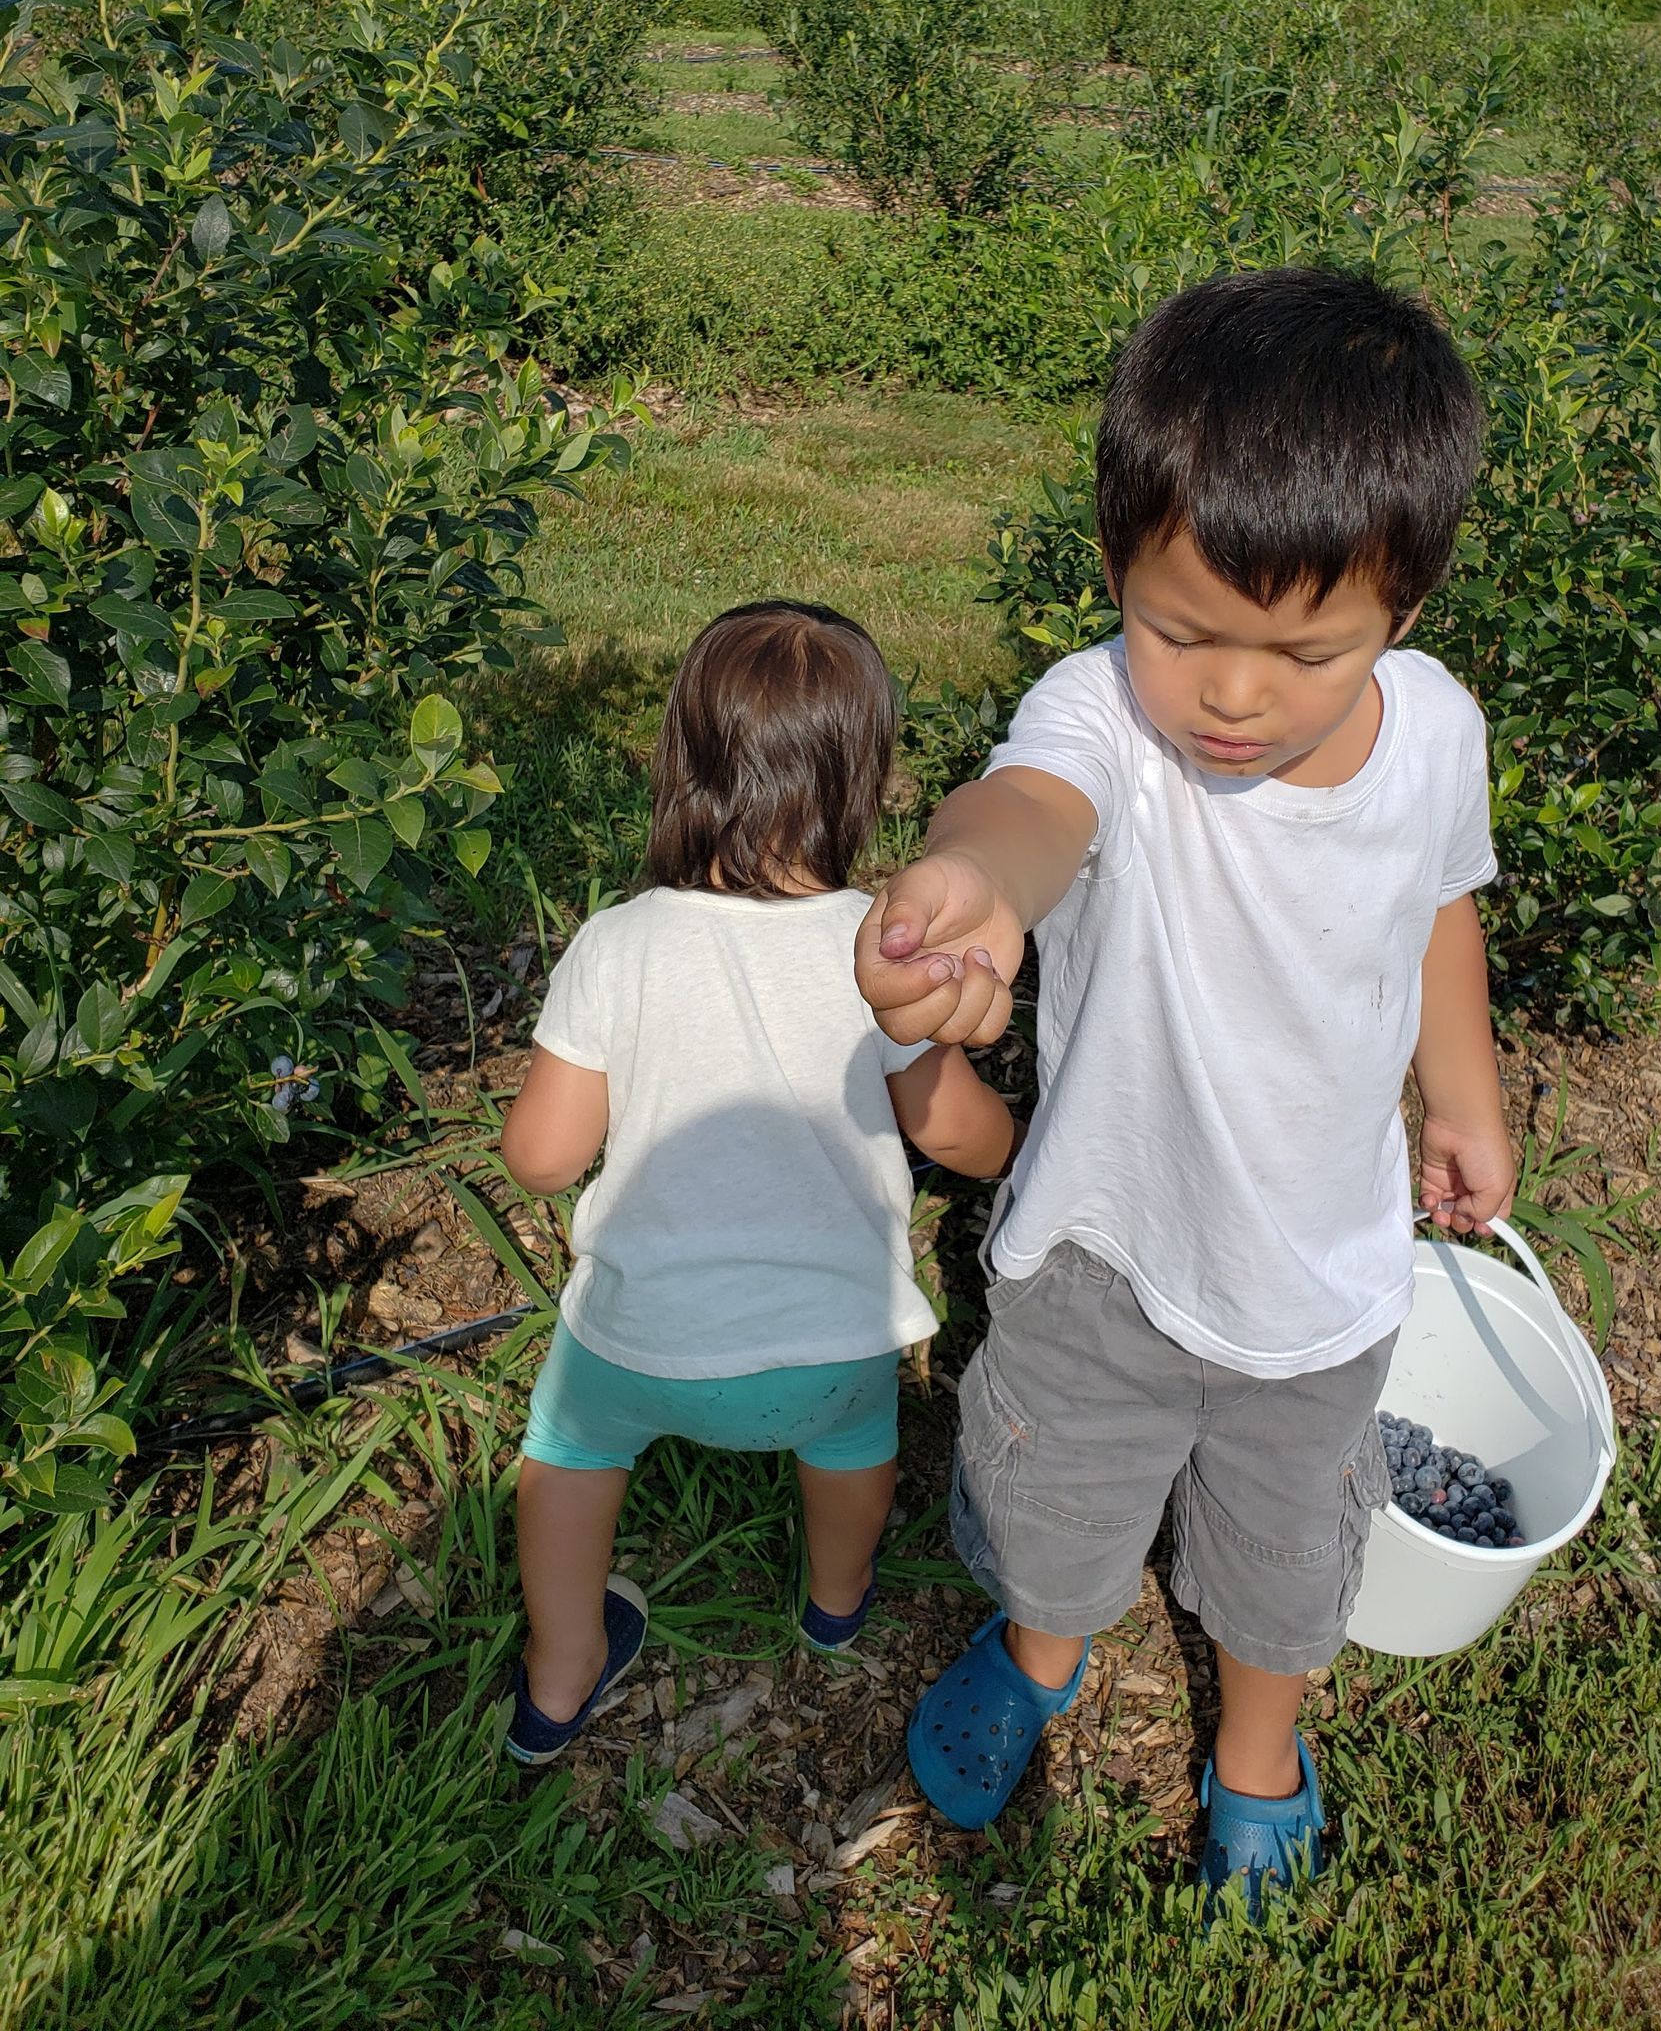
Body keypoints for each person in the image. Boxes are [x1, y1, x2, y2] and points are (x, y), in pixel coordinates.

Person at [855, 269, 1514, 1912]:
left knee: (1293, 1561)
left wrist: (1465, 1090)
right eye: (1182, 630)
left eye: (1304, 653)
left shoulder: (1435, 737)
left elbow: (1441, 904)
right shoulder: (1103, 720)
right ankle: (1044, 1651)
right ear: (1117, 578)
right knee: (1058, 1500)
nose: (1230, 694)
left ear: (1405, 614)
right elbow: (1026, 807)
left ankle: (1258, 1752)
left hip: (1320, 1284)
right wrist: (969, 888)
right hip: (1106, 1255)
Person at [499, 601, 1019, 1768]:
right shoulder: (879, 955)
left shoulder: (618, 944)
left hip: (640, 1351)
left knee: (565, 1459)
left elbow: (539, 1159)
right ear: (864, 784)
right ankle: (835, 1602)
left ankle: (561, 1669)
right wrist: (1024, 1135)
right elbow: (967, 1139)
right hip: (833, 1354)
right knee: (855, 1454)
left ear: (679, 764)